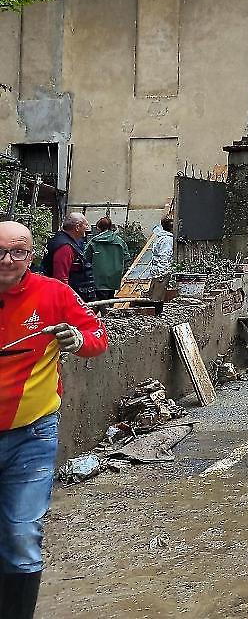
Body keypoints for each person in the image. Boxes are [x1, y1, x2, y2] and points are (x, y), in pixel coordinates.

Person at [0, 220, 108, 617]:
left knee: (23, 532)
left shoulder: (54, 294)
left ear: (32, 255)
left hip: (31, 437)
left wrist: (79, 341)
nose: (8, 261)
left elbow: (97, 337)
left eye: (18, 252)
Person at [42, 212, 95, 302]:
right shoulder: (65, 247)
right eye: (86, 225)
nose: (87, 228)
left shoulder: (64, 241)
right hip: (69, 298)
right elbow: (61, 279)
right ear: (77, 227)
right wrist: (66, 302)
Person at [86, 217, 130, 301]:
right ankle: (109, 312)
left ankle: (104, 313)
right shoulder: (120, 241)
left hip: (98, 276)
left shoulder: (94, 242)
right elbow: (127, 257)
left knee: (100, 301)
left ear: (98, 228)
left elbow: (86, 258)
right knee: (110, 299)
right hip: (114, 276)